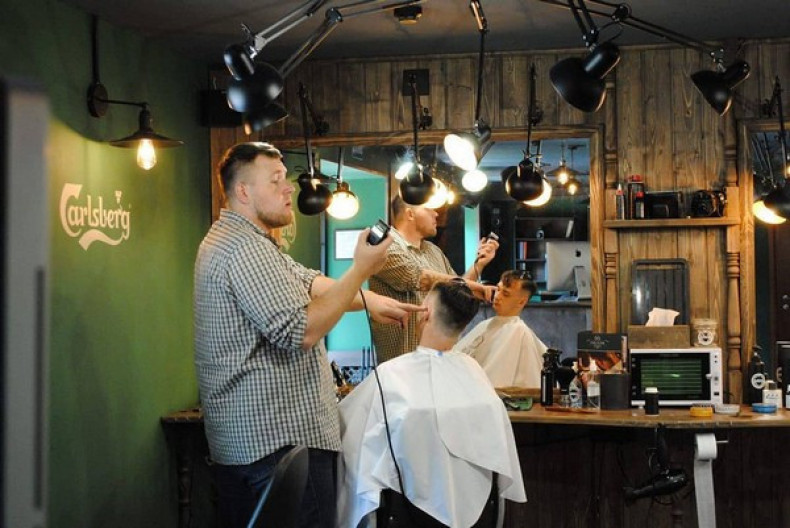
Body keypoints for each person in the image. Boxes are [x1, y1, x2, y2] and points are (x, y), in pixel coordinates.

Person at [193, 142, 424, 528]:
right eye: (275, 180)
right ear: (244, 191)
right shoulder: (244, 249)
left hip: (262, 445)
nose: (289, 188)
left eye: (285, 178)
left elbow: (310, 282)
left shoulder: (245, 242)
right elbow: (301, 331)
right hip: (277, 445)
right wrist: (360, 270)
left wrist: (369, 300)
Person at [337, 280, 526, 528]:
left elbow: (347, 433)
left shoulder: (390, 375)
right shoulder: (474, 371)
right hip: (479, 513)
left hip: (407, 511)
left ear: (425, 314)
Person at [369, 195, 499, 362]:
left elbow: (455, 291)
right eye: (429, 208)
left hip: (439, 360)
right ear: (410, 214)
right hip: (402, 363)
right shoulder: (386, 246)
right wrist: (477, 287)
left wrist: (479, 265)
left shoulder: (433, 251)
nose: (436, 214)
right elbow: (419, 278)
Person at [454, 270, 548, 388]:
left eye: (506, 294)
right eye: (498, 289)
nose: (497, 296)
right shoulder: (485, 325)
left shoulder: (518, 332)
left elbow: (495, 379)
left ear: (521, 302)